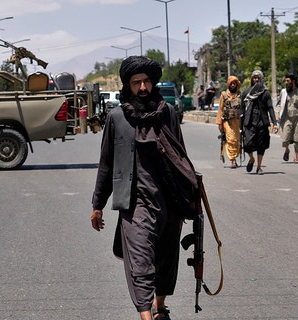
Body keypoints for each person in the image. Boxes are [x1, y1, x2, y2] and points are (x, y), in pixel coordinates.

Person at [90, 56, 198, 320]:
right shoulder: (116, 118)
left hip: (169, 202)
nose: (142, 87)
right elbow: (106, 164)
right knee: (140, 262)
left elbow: (181, 156)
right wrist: (98, 205)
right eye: (136, 82)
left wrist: (192, 196)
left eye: (146, 81)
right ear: (128, 85)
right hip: (134, 204)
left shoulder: (168, 114)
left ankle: (160, 308)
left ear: (153, 83)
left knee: (164, 260)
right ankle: (146, 315)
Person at [241, 70, 278, 175]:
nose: (256, 80)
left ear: (261, 79)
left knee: (261, 146)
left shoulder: (265, 93)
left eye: (258, 78)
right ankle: (251, 159)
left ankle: (259, 167)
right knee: (247, 145)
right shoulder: (247, 93)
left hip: (262, 122)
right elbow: (242, 110)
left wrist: (275, 122)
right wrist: (240, 125)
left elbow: (270, 108)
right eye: (254, 78)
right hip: (250, 122)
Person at [276, 73, 298, 163]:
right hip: (286, 118)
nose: (286, 82)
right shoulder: (283, 92)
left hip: (297, 119)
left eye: (288, 81)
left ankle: (296, 157)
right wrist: (277, 116)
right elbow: (278, 104)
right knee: (285, 138)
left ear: (293, 81)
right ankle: (287, 150)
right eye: (285, 81)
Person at [216, 76, 243, 168]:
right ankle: (233, 160)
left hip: (237, 121)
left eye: (234, 83)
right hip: (227, 122)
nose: (232, 85)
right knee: (231, 139)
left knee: (236, 141)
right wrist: (219, 123)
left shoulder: (240, 95)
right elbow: (220, 109)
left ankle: (235, 156)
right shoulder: (224, 95)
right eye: (231, 83)